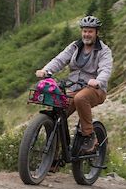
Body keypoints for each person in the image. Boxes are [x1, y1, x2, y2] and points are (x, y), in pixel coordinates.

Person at [36, 15, 113, 155]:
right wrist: (46, 70)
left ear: (97, 33)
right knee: (58, 114)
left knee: (80, 99)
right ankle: (54, 157)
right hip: (74, 87)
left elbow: (105, 70)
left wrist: (98, 81)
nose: (86, 34)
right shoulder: (75, 46)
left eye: (90, 31)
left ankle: (89, 135)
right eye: (84, 31)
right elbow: (59, 60)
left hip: (95, 90)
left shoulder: (104, 51)